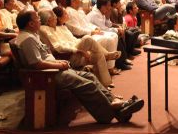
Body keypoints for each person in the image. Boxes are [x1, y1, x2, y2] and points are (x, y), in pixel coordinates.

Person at [12, 11, 144, 124]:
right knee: (87, 84)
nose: (40, 21)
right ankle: (109, 113)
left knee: (89, 76)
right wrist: (58, 65)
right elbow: (36, 64)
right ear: (31, 23)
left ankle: (114, 103)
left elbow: (43, 58)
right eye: (37, 19)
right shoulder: (27, 39)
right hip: (48, 74)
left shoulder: (30, 35)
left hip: (55, 70)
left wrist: (59, 62)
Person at [40, 8, 119, 88]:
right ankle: (107, 55)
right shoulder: (45, 29)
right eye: (54, 17)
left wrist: (82, 45)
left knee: (99, 55)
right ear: (48, 20)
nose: (56, 19)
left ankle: (105, 84)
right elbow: (58, 48)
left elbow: (74, 40)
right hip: (69, 57)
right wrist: (78, 51)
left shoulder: (60, 27)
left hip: (77, 53)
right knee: (87, 38)